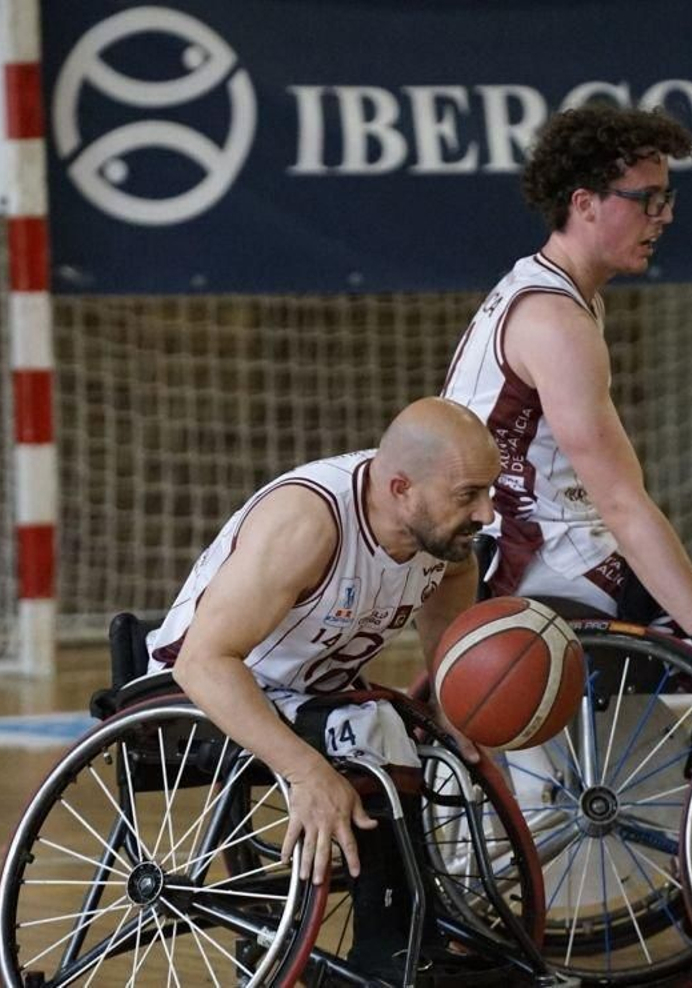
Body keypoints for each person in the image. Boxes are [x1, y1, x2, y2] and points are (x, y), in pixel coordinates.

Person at [146, 396, 499, 978]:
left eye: (489, 491)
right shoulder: (311, 523)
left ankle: (417, 933)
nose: (486, 513)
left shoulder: (438, 540)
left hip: (312, 696)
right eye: (468, 496)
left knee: (405, 726)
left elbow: (451, 590)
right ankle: (391, 953)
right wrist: (307, 771)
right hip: (201, 691)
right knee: (374, 729)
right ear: (401, 488)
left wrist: (452, 700)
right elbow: (202, 662)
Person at [442, 103, 692, 719]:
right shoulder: (555, 320)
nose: (664, 216)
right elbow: (619, 500)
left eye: (667, 198)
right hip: (528, 561)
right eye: (646, 199)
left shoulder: (550, 290)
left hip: (529, 547)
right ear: (585, 202)